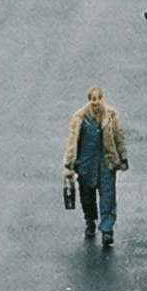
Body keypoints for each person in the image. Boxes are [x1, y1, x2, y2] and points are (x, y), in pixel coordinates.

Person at [61, 87, 128, 247]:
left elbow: (119, 137)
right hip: (86, 164)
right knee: (87, 197)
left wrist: (123, 157)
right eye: (93, 99)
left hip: (106, 163)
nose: (96, 102)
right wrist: (68, 163)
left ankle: (107, 230)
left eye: (98, 98)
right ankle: (90, 221)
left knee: (108, 196)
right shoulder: (80, 118)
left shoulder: (110, 116)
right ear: (89, 100)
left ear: (102, 99)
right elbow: (72, 142)